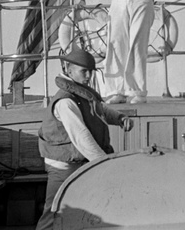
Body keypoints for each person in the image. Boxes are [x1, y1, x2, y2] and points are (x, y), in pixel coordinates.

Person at [36, 49, 134, 230]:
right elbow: (81, 137)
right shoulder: (65, 101)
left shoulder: (81, 93)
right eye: (84, 71)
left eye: (91, 71)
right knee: (54, 213)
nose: (88, 76)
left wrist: (119, 118)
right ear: (68, 70)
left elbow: (99, 110)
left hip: (81, 162)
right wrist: (103, 163)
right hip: (63, 166)